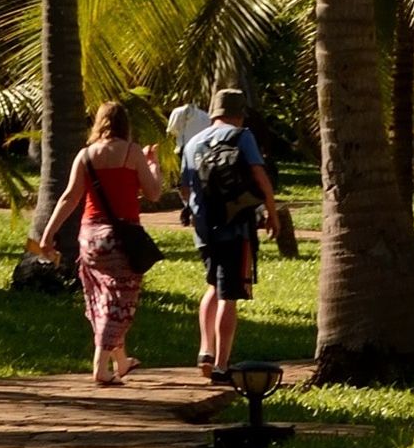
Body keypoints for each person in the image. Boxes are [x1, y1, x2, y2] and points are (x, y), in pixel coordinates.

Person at [30, 101, 167, 385]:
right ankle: (100, 367)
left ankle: (121, 361)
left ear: (99, 124)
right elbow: (153, 193)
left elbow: (70, 197)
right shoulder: (132, 153)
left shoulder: (86, 156)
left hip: (90, 239)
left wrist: (47, 235)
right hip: (121, 239)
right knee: (120, 302)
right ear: (124, 124)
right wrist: (153, 165)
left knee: (101, 299)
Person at [184, 86, 274, 381]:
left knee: (212, 284)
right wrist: (272, 212)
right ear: (240, 113)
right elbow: (259, 175)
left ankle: (204, 350)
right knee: (229, 294)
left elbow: (185, 188)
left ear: (214, 112)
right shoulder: (241, 136)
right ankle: (222, 365)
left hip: (203, 230)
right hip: (236, 226)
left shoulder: (192, 143)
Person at [163, 94, 211, 219]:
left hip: (185, 149)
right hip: (201, 150)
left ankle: (189, 205)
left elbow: (171, 131)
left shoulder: (178, 112)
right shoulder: (204, 115)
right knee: (199, 179)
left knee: (185, 180)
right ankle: (192, 205)